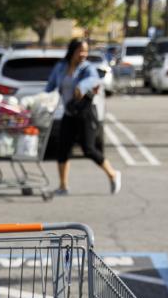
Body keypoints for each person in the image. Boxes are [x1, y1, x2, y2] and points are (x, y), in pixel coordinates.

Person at [45, 38, 121, 196]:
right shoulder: (61, 67)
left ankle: (112, 174)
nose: (83, 54)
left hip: (84, 114)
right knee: (63, 149)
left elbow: (93, 79)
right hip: (68, 113)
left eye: (85, 51)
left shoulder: (87, 68)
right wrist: (42, 99)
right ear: (72, 51)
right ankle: (63, 186)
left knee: (88, 149)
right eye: (80, 51)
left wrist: (81, 86)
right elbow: (50, 86)